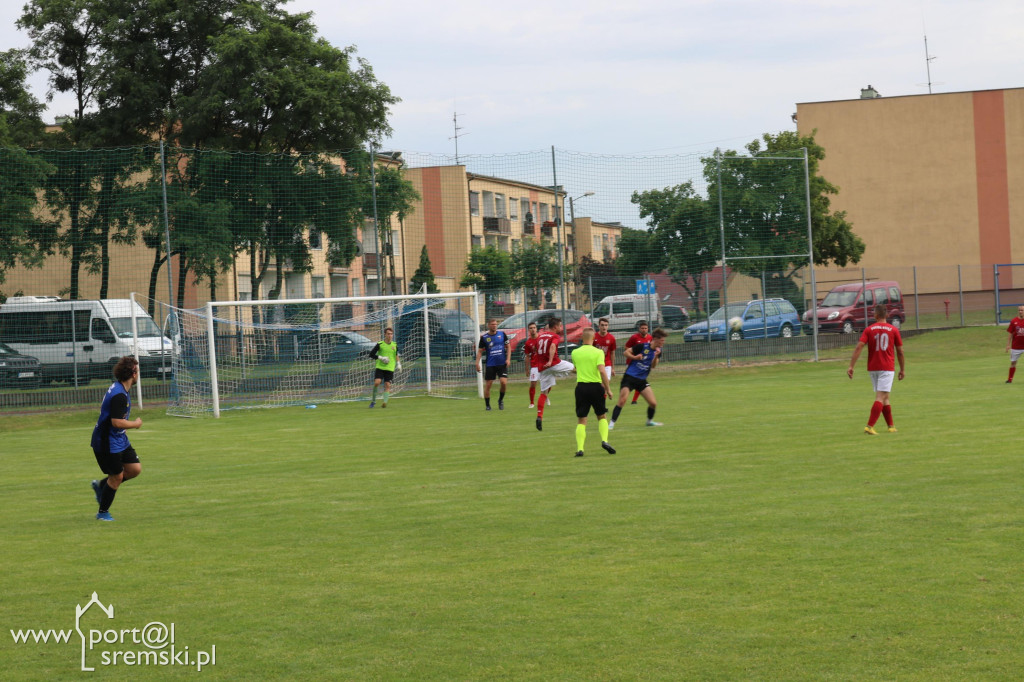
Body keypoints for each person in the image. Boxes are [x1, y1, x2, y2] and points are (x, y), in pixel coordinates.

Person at [90, 356, 143, 522]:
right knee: (117, 477)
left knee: (134, 469)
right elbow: (117, 422)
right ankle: (103, 512)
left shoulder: (120, 388)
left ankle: (102, 486)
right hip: (107, 442)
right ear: (133, 374)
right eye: (138, 371)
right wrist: (135, 424)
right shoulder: (119, 395)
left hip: (118, 438)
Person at [847, 303, 905, 434]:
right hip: (887, 367)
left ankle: (891, 426)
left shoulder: (869, 329)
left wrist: (851, 366)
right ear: (887, 315)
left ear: (876, 315)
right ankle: (869, 426)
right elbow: (900, 352)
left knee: (885, 397)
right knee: (880, 396)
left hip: (873, 368)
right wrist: (902, 369)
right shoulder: (893, 330)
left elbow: (859, 347)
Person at [570, 328, 616, 457]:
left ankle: (580, 449)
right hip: (596, 387)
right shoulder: (598, 352)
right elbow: (602, 370)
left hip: (581, 388)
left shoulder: (575, 352)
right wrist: (608, 389)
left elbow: (576, 369)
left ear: (582, 338)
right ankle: (605, 441)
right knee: (601, 416)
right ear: (593, 339)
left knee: (581, 419)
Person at [609, 327, 667, 429]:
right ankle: (611, 424)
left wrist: (656, 356)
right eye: (662, 340)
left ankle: (649, 421)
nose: (663, 342)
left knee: (653, 403)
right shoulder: (642, 346)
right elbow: (626, 352)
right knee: (622, 400)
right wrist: (635, 357)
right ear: (655, 339)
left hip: (641, 380)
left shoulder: (658, 351)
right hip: (630, 377)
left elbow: (653, 366)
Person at [535, 317, 575, 431]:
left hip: (542, 368)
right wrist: (550, 360)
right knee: (576, 369)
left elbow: (536, 350)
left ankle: (539, 416)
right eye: (560, 326)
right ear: (555, 327)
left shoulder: (540, 337)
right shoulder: (555, 336)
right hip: (554, 363)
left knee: (544, 393)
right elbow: (552, 347)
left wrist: (543, 363)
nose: (561, 328)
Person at [476, 318, 512, 410]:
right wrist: (477, 363)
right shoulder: (484, 338)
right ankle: (488, 405)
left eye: (495, 324)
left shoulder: (502, 334)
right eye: (492, 324)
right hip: (490, 364)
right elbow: (480, 351)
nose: (494, 326)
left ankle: (500, 400)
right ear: (488, 325)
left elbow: (508, 347)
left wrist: (508, 359)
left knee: (503, 383)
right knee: (488, 385)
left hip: (501, 363)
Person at [369, 327, 400, 408]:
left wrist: (399, 363)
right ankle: (373, 401)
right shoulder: (380, 344)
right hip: (380, 367)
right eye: (388, 334)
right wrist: (381, 358)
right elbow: (371, 354)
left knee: (387, 385)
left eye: (391, 334)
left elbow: (396, 355)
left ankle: (384, 402)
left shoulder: (394, 345)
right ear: (385, 335)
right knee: (377, 383)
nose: (390, 335)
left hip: (390, 368)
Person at [625, 321, 652, 405]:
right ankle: (625, 396)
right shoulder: (634, 337)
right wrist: (634, 355)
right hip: (632, 363)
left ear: (648, 329)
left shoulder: (650, 338)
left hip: (643, 364)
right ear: (639, 329)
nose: (644, 330)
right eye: (642, 328)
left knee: (640, 380)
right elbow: (626, 347)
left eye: (645, 328)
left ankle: (634, 400)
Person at [593, 317, 617, 383]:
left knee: (606, 383)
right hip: (595, 364)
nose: (604, 327)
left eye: (606, 325)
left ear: (608, 326)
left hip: (607, 364)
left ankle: (604, 393)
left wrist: (613, 368)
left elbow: (612, 353)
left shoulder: (611, 338)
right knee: (597, 384)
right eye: (602, 325)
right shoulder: (594, 337)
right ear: (599, 326)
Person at [523, 322, 540, 408]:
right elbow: (527, 356)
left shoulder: (541, 339)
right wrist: (527, 369)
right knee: (533, 384)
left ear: (536, 328)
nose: (533, 329)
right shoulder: (528, 342)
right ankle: (532, 402)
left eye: (534, 327)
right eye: (531, 328)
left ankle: (545, 396)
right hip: (534, 366)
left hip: (544, 365)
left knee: (548, 384)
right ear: (528, 330)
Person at [1005, 304, 1024, 383]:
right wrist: (1008, 345)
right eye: (1019, 310)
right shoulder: (1014, 321)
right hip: (1016, 347)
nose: (1020, 312)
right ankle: (1010, 379)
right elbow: (1010, 333)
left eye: (1022, 310)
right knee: (1013, 363)